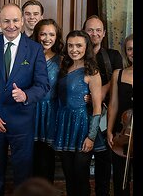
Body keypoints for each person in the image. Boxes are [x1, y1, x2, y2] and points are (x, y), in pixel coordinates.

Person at [0, 3, 49, 196]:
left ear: (22, 21)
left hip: (22, 122)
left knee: (23, 173)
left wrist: (26, 95)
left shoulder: (34, 49)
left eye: (15, 20)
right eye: (6, 21)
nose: (11, 25)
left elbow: (43, 86)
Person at [52, 30, 104, 196]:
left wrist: (91, 136)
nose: (74, 49)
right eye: (70, 45)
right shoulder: (64, 67)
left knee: (80, 174)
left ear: (86, 47)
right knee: (68, 174)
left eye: (79, 45)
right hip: (64, 124)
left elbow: (97, 108)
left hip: (82, 127)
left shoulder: (92, 72)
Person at [83, 14, 122, 196]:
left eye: (98, 30)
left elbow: (115, 80)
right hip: (81, 114)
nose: (94, 34)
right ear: (84, 32)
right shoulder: (77, 53)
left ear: (104, 33)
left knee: (104, 161)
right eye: (90, 30)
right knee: (81, 160)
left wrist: (96, 95)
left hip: (105, 115)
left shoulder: (113, 55)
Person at [30, 19, 64, 183]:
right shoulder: (28, 55)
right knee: (30, 157)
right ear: (37, 35)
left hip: (51, 112)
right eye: (43, 33)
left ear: (57, 37)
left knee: (47, 158)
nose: (47, 38)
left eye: (51, 34)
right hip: (30, 111)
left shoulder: (62, 60)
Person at [107, 34, 133, 196]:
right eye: (130, 49)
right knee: (120, 178)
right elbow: (113, 104)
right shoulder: (118, 74)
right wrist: (109, 130)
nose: (133, 52)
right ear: (125, 52)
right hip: (122, 133)